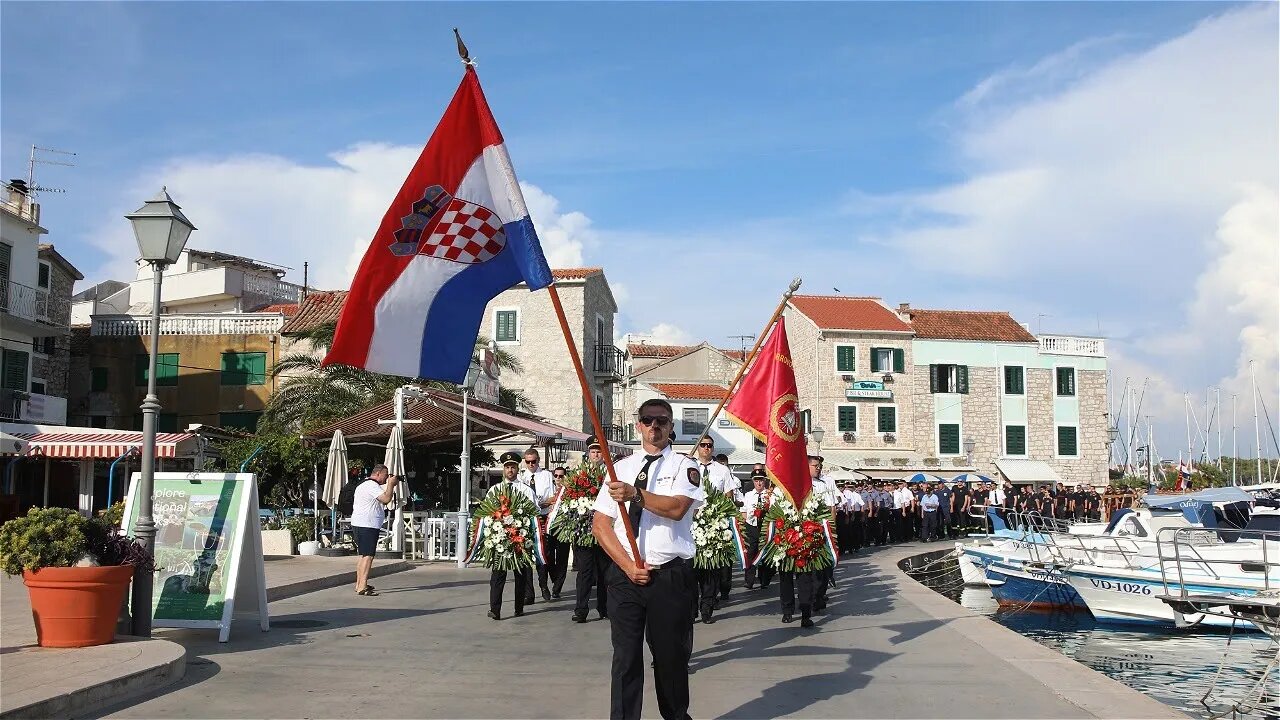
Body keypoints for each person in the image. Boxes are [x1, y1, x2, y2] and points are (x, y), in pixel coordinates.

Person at [593, 398, 702, 720]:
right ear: (638, 424)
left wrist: (636, 495)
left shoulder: (685, 467)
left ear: (671, 428)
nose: (655, 426)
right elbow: (601, 525)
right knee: (625, 658)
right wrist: (628, 566)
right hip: (626, 578)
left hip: (669, 577)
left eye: (662, 421)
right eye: (648, 420)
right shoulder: (620, 468)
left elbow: (677, 508)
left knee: (670, 658)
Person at [487, 452, 537, 620]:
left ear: (518, 469)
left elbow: (533, 513)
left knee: (521, 574)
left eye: (513, 467)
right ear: (503, 469)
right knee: (498, 575)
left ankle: (519, 607)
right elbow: (487, 512)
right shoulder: (495, 490)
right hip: (500, 539)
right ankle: (495, 609)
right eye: (507, 467)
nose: (510, 470)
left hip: (519, 539)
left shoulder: (526, 490)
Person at [693, 439, 739, 603]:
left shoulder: (722, 470)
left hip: (714, 523)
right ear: (698, 447)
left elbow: (729, 497)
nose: (706, 448)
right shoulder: (688, 466)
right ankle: (693, 605)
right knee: (693, 568)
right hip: (692, 522)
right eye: (703, 445)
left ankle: (707, 605)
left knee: (712, 568)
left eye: (709, 445)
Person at [571, 436, 610, 623]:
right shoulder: (579, 474)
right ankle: (581, 609)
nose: (596, 454)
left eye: (599, 451)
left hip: (605, 532)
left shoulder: (611, 474)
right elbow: (569, 499)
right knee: (585, 572)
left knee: (605, 572)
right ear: (588, 453)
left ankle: (604, 607)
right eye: (593, 451)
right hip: (584, 532)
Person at [523, 448, 568, 602]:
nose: (530, 464)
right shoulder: (522, 478)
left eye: (533, 461)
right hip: (527, 520)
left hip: (545, 519)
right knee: (527, 558)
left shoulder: (547, 476)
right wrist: (540, 504)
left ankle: (544, 585)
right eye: (527, 461)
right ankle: (529, 593)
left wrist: (542, 504)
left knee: (543, 555)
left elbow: (553, 498)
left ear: (538, 460)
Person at [351, 464, 398, 596]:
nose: (386, 478)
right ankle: (362, 586)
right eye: (385, 475)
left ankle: (359, 583)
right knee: (368, 556)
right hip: (367, 525)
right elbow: (386, 499)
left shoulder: (363, 484)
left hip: (360, 524)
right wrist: (391, 485)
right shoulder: (371, 486)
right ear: (378, 474)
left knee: (363, 555)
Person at [808, 456, 839, 612]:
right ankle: (810, 598)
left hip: (823, 529)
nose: (818, 468)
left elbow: (831, 507)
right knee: (810, 570)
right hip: (806, 531)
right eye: (815, 465)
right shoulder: (802, 483)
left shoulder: (824, 484)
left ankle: (819, 596)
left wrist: (831, 530)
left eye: (819, 466)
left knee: (824, 568)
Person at [740, 467, 774, 590]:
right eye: (756, 480)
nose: (759, 483)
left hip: (765, 526)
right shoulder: (748, 495)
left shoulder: (770, 495)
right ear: (753, 481)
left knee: (764, 552)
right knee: (750, 553)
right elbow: (743, 511)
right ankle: (749, 580)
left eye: (761, 480)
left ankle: (764, 579)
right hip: (751, 526)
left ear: (764, 481)